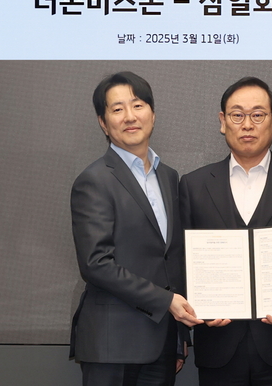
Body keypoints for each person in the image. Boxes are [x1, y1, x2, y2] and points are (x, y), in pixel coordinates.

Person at [179, 76, 272, 386]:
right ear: (223, 121)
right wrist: (200, 307)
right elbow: (180, 260)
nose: (247, 124)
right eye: (237, 115)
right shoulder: (193, 185)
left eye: (258, 114)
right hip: (218, 348)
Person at [69, 71, 203, 386]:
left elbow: (171, 258)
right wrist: (166, 302)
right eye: (117, 109)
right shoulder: (94, 180)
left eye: (138, 105)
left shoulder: (169, 177)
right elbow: (95, 264)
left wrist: (179, 334)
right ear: (103, 123)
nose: (130, 116)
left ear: (152, 115)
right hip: (112, 343)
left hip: (162, 342)